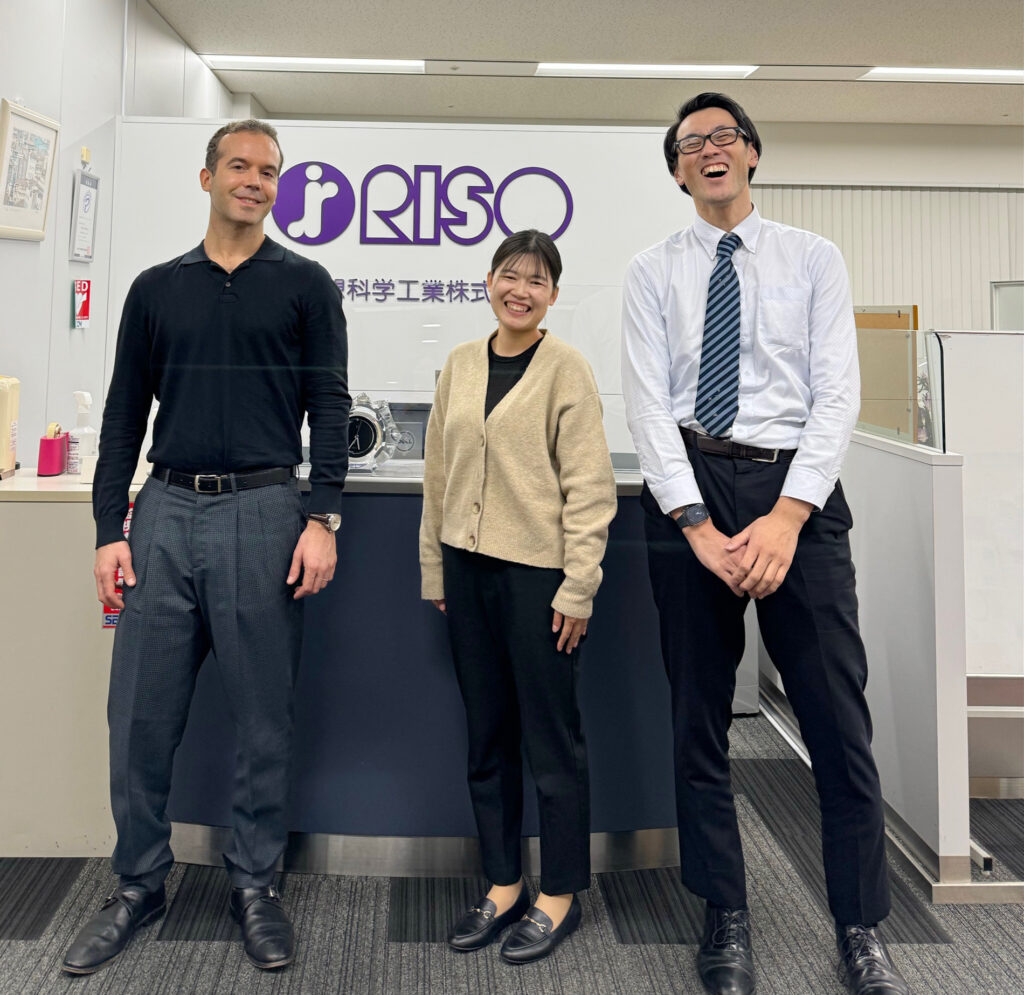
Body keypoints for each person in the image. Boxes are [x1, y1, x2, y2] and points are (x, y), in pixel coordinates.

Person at [621, 93, 911, 995]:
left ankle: (860, 926)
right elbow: (645, 403)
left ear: (752, 155)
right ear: (676, 170)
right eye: (690, 143)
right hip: (690, 492)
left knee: (837, 721)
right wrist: (697, 525)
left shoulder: (812, 258)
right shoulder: (649, 271)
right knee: (698, 722)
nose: (708, 151)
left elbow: (837, 396)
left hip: (799, 491)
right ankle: (726, 915)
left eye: (724, 137)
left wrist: (787, 516)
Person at [62, 120, 350, 975]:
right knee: (138, 717)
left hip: (266, 511)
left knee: (264, 717)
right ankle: (139, 884)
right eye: (240, 166)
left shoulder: (306, 285)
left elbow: (329, 410)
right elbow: (122, 418)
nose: (255, 181)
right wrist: (108, 528)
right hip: (164, 514)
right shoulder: (157, 289)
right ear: (207, 177)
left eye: (269, 171)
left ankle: (256, 885)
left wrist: (322, 517)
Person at [420, 229, 617, 964]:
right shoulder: (461, 364)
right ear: (491, 281)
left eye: (537, 280)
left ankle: (558, 893)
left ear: (553, 296)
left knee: (551, 741)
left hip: (541, 579)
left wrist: (579, 585)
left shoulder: (568, 369)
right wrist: (435, 571)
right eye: (510, 275)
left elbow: (591, 490)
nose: (521, 290)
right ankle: (502, 883)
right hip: (467, 574)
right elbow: (437, 476)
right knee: (487, 736)